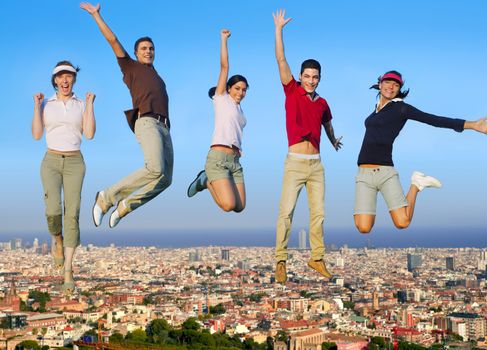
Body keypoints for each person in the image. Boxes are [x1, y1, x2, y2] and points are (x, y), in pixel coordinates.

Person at [354, 70, 487, 234]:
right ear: (380, 84)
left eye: (396, 85)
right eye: (388, 82)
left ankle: (416, 184)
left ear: (399, 89)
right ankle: (413, 185)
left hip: (385, 171)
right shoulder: (375, 111)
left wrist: (472, 125)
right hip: (364, 174)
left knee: (402, 222)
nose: (391, 87)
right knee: (363, 227)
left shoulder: (401, 108)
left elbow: (434, 120)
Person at [81, 2, 173, 228]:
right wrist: (96, 16)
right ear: (135, 53)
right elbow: (113, 41)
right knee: (154, 169)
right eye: (143, 48)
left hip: (165, 128)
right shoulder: (130, 67)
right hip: (147, 121)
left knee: (165, 179)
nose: (148, 51)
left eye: (151, 48)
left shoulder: (157, 75)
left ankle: (125, 206)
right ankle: (106, 198)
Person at [273, 10, 343, 284]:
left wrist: (334, 140)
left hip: (317, 164)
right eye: (307, 75)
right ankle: (280, 260)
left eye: (315, 76)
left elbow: (326, 124)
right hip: (295, 162)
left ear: (319, 78)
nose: (311, 79)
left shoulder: (323, 102)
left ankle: (317, 258)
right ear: (300, 76)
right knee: (286, 212)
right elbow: (280, 58)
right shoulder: (291, 90)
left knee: (319, 214)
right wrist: (279, 29)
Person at [32, 61, 96, 295]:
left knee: (73, 212)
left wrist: (89, 104)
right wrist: (36, 105)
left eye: (69, 75)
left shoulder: (80, 104)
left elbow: (89, 134)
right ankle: (57, 240)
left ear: (73, 79)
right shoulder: (47, 103)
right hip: (50, 160)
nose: (65, 80)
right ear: (55, 81)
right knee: (52, 210)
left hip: (75, 162)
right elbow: (37, 134)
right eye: (61, 76)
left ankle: (68, 270)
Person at [187, 29, 248, 213]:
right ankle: (205, 180)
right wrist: (223, 40)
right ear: (228, 88)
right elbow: (224, 67)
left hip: (235, 161)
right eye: (237, 88)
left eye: (244, 90)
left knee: (240, 207)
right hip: (218, 159)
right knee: (228, 205)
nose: (240, 92)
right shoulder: (221, 99)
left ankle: (208, 180)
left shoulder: (240, 110)